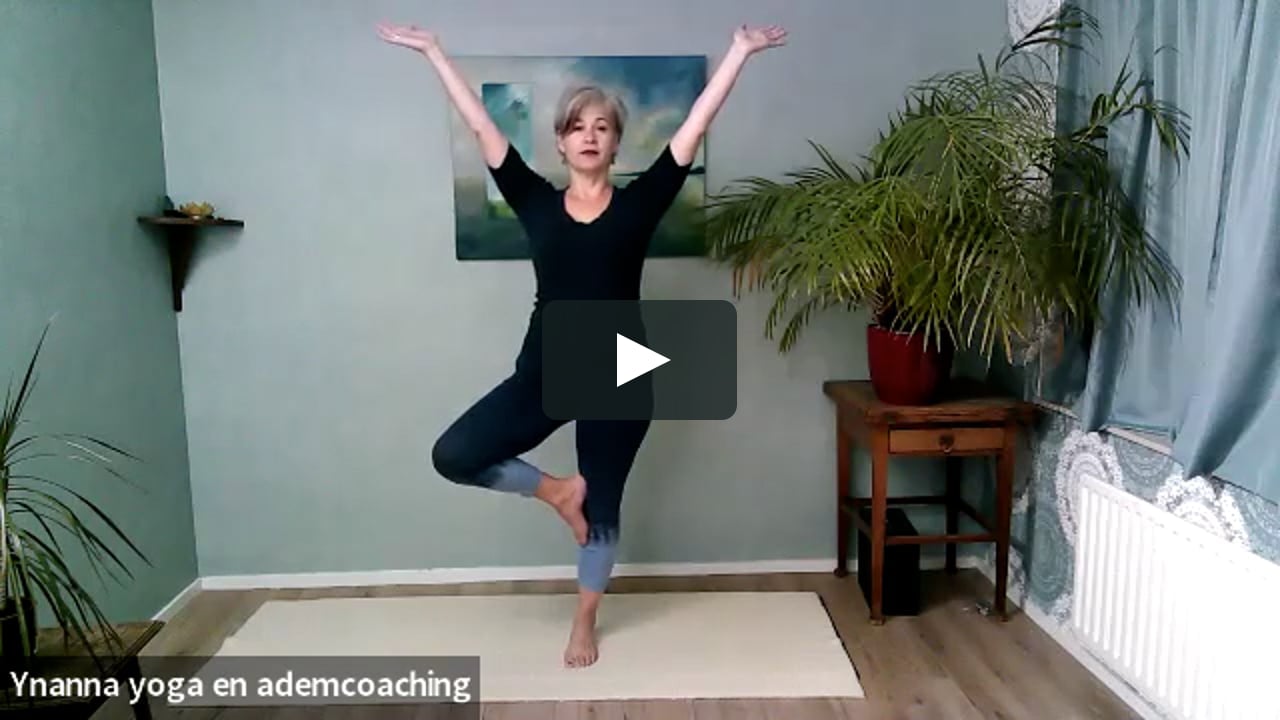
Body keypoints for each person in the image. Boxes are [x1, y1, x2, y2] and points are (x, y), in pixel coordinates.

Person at [377, 20, 786, 668]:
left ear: (615, 143)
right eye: (577, 127)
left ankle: (584, 618)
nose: (589, 135)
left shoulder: (640, 205)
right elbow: (482, 127)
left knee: (604, 506)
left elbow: (695, 126)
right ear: (561, 143)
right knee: (455, 454)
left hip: (622, 375)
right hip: (545, 370)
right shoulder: (535, 202)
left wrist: (738, 52)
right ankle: (556, 492)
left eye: (601, 127)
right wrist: (434, 52)